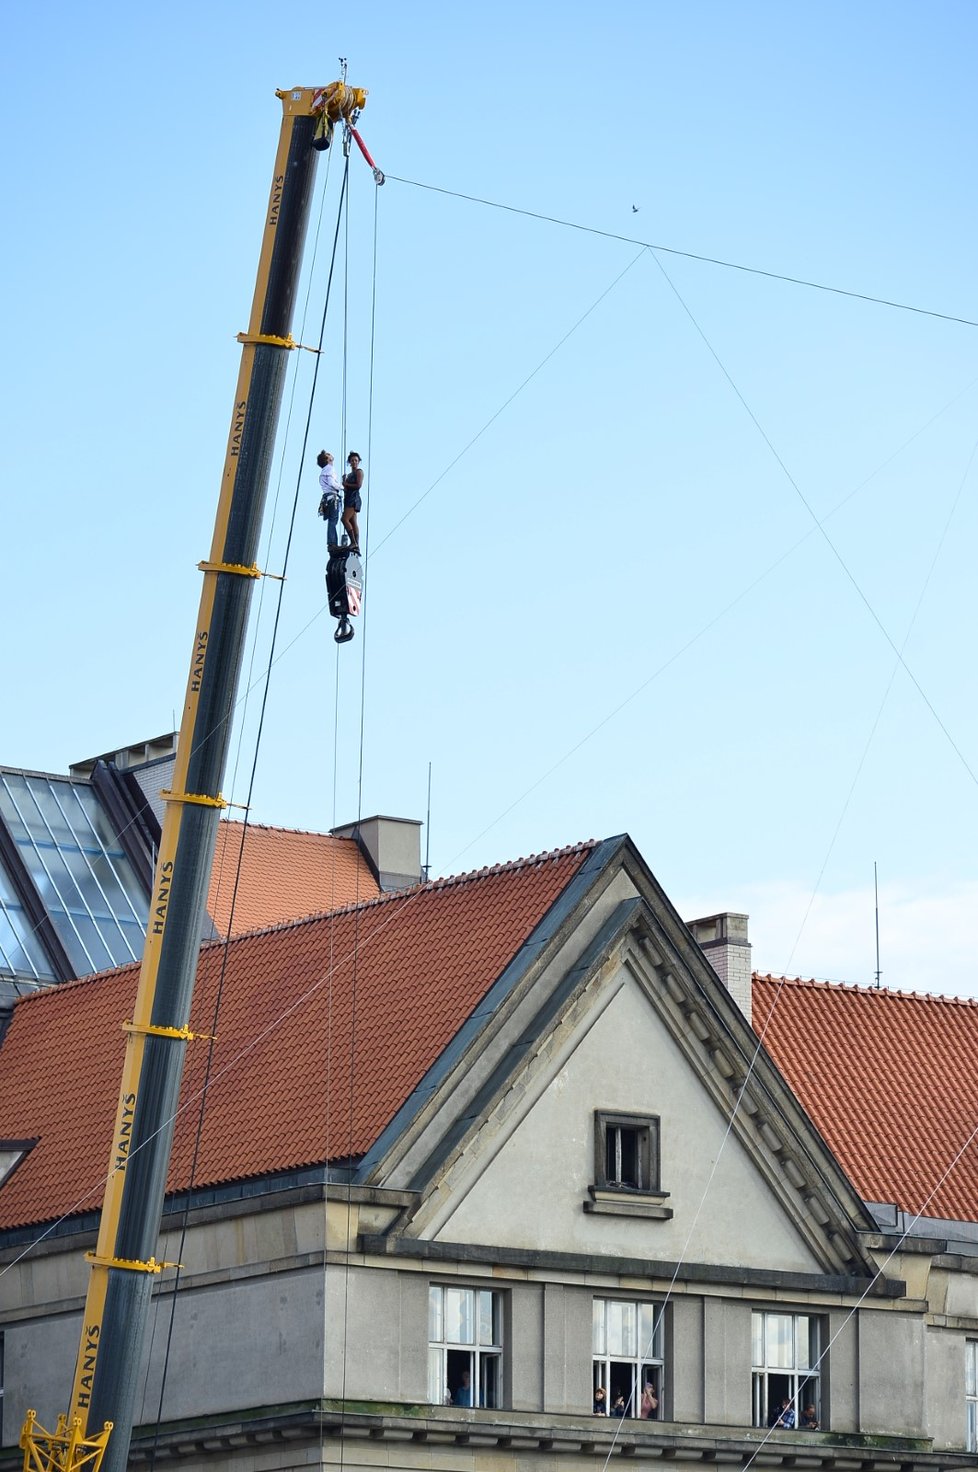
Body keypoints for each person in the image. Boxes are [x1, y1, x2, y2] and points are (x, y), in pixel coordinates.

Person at [316, 450, 341, 548]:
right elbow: (331, 483)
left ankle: (331, 542)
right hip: (332, 497)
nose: (330, 454)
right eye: (328, 454)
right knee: (333, 521)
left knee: (331, 521)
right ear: (327, 459)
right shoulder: (330, 469)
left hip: (327, 497)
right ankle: (332, 543)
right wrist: (342, 486)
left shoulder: (323, 472)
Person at [341, 451, 364, 552]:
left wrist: (346, 483)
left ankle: (354, 542)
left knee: (344, 519)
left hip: (353, 499)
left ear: (358, 462)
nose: (354, 462)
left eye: (356, 460)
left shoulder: (359, 472)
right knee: (353, 521)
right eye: (352, 460)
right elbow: (346, 489)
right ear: (349, 462)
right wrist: (344, 484)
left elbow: (358, 485)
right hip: (348, 498)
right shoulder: (349, 475)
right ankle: (356, 545)